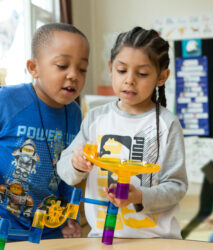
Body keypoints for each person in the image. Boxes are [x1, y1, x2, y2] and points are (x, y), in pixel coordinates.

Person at [57, 26, 188, 239]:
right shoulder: (95, 118)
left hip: (156, 240)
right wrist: (75, 163)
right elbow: (64, 170)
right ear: (111, 69)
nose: (129, 80)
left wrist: (139, 196)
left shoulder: (167, 124)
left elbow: (176, 187)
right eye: (121, 70)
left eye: (142, 73)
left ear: (162, 77)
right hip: (103, 236)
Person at [0, 22, 89, 240]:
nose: (73, 75)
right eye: (62, 65)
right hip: (5, 227)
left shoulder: (75, 113)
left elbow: (69, 172)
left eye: (82, 68)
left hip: (49, 229)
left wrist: (70, 216)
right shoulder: (7, 100)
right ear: (33, 68)